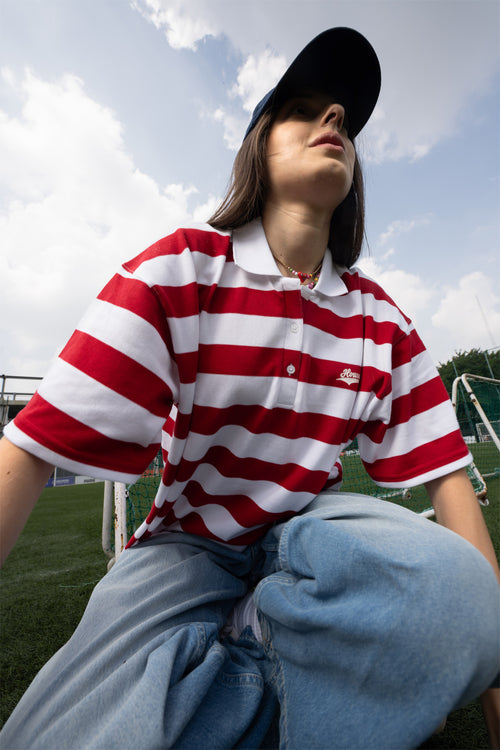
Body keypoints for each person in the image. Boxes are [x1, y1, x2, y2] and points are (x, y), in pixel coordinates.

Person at [0, 27, 499, 750]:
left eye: (345, 120)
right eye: (304, 108)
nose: (334, 121)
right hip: (186, 548)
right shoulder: (178, 271)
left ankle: (244, 652)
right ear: (257, 148)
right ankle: (260, 653)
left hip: (312, 543)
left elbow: (452, 489)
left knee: (465, 595)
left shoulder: (380, 319)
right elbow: (32, 451)